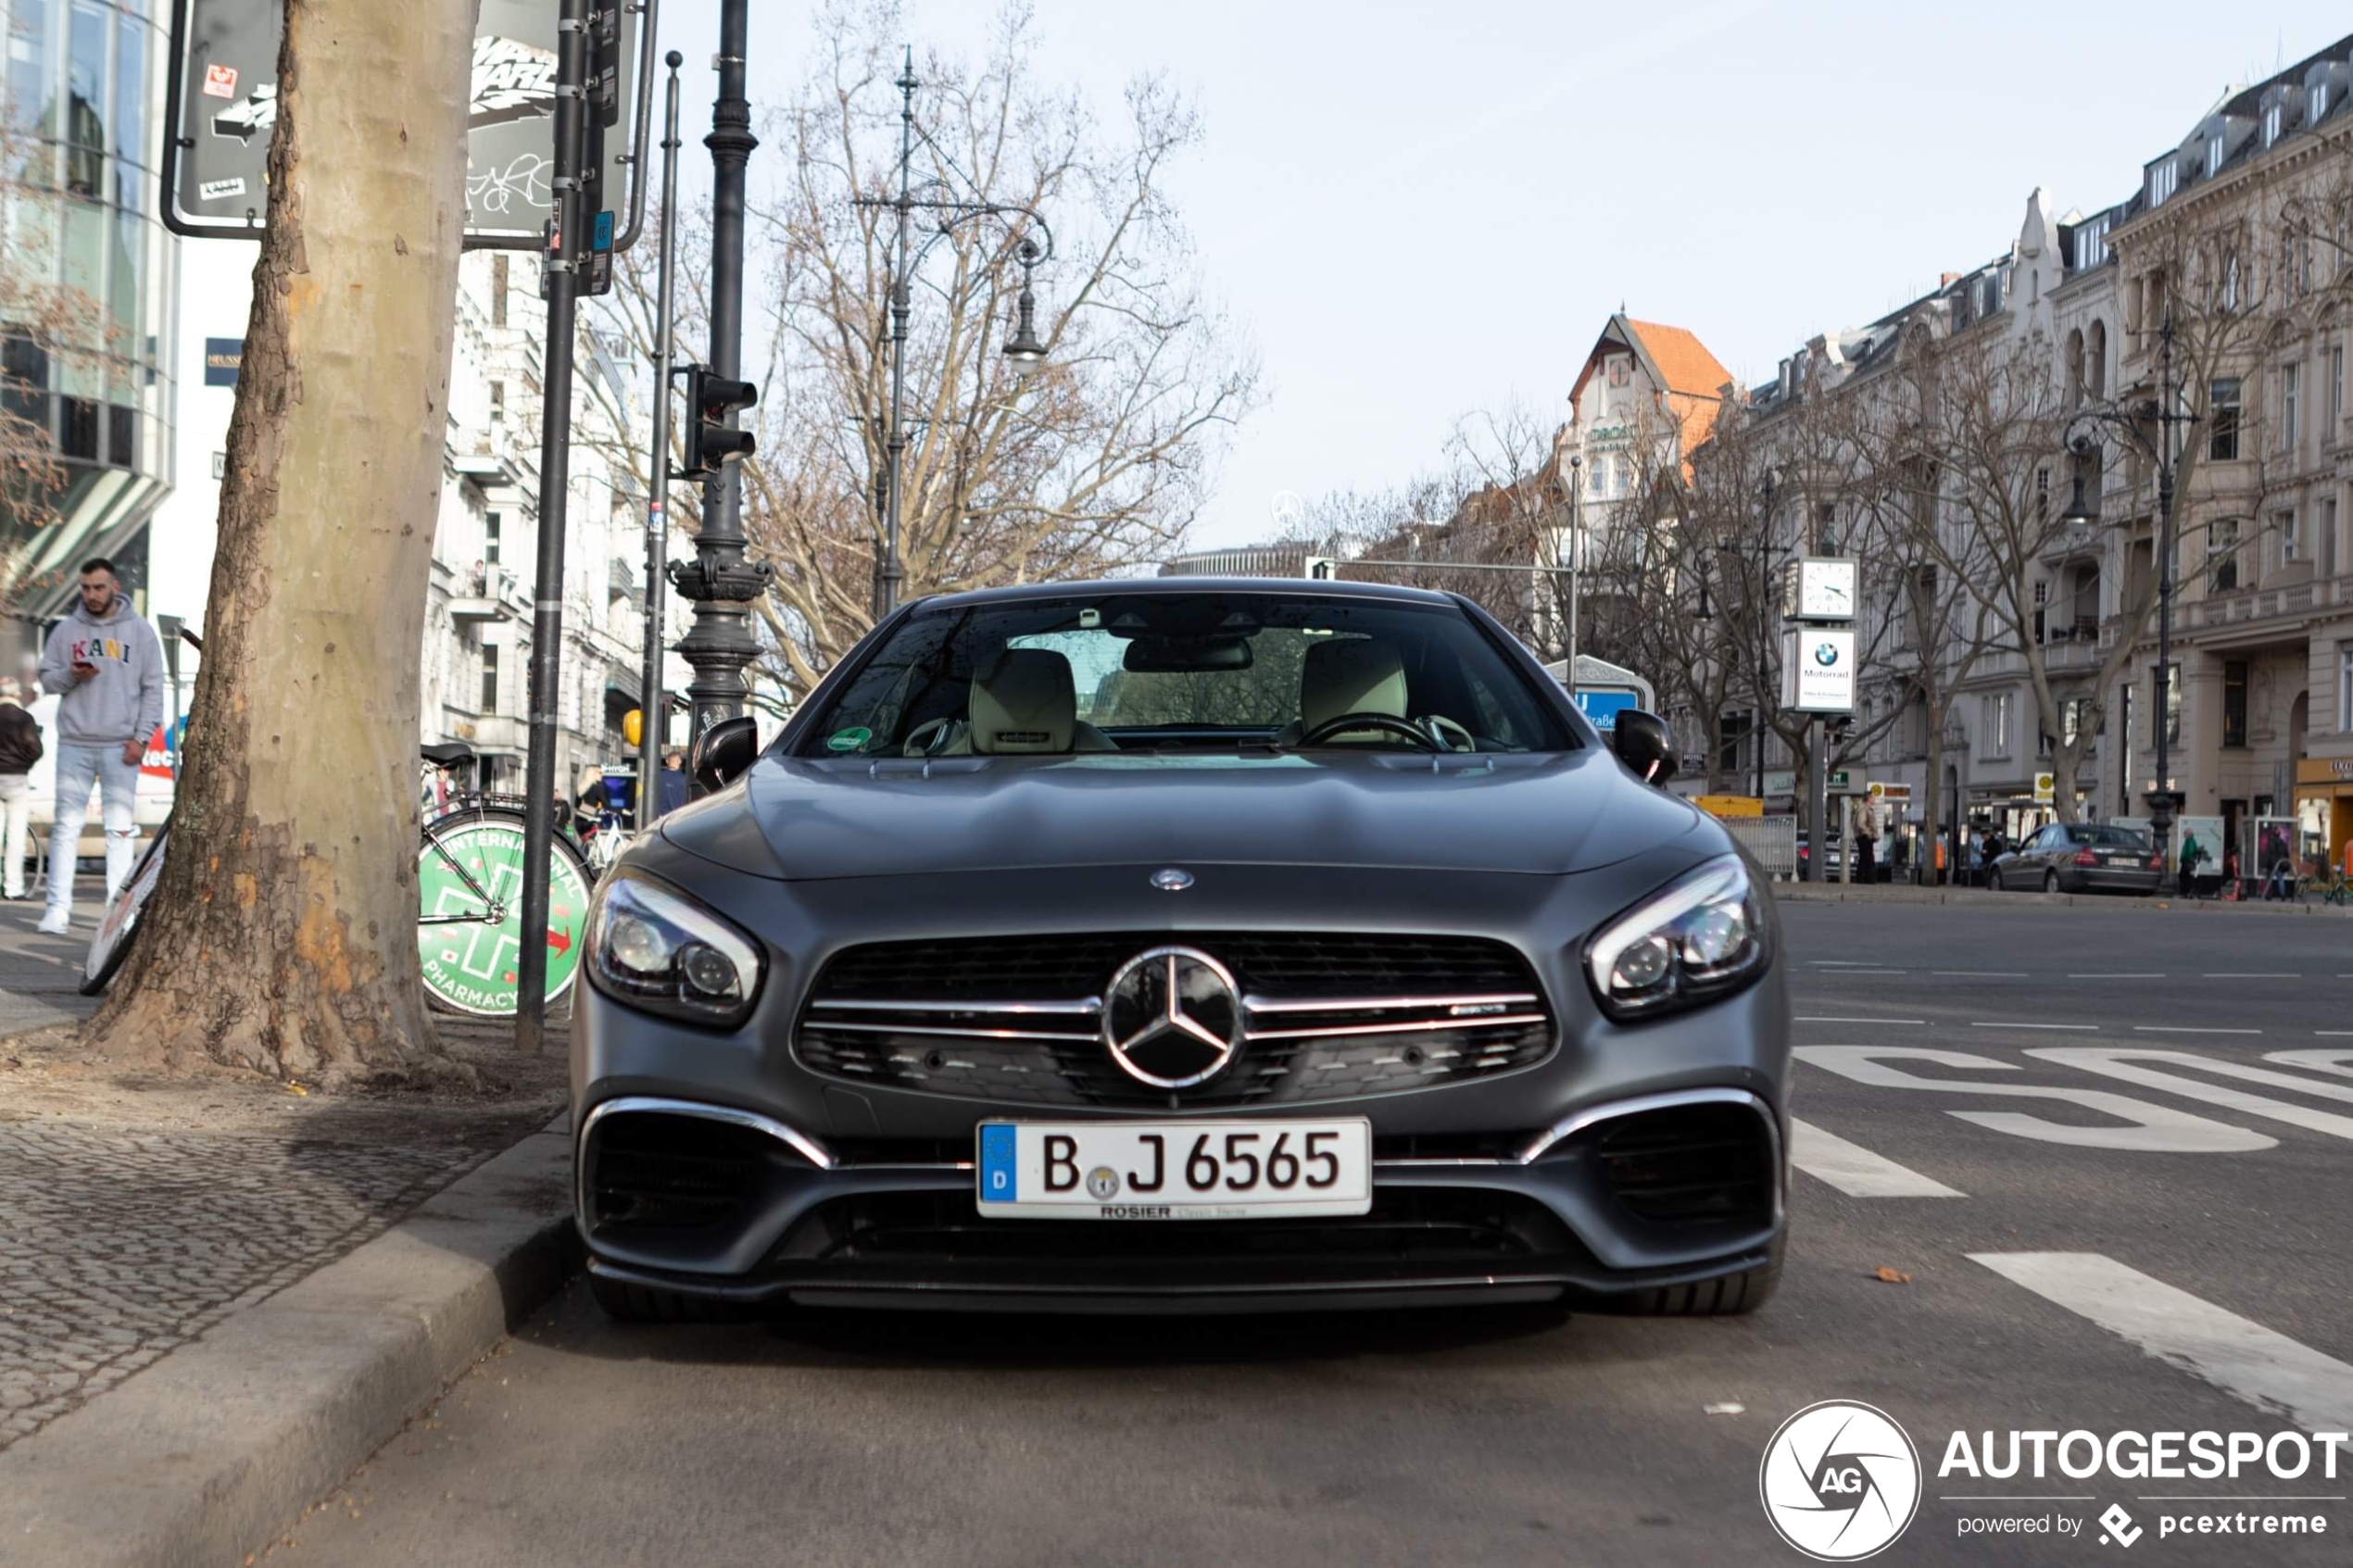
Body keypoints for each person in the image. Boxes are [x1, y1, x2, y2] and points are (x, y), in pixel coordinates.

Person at [37, 559, 162, 935]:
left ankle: (116, 914)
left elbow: (153, 689)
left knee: (120, 831)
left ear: (114, 586)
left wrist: (142, 738)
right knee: (65, 828)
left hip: (120, 744)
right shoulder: (65, 631)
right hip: (75, 742)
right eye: (86, 588)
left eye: (99, 588)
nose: (91, 595)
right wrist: (71, 675)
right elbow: (47, 682)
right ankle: (57, 909)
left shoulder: (140, 632)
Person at [0, 679, 41, 899]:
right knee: (15, 837)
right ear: (16, 695)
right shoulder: (24, 718)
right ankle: (13, 887)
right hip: (16, 779)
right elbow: (35, 748)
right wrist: (24, 763)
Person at [655, 749, 689, 820]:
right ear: (680, 761)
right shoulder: (684, 780)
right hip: (678, 816)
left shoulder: (658, 777)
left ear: (667, 761)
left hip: (661, 816)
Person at [1852, 797, 1880, 884]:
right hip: (1864, 837)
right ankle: (1867, 880)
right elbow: (1861, 824)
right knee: (1867, 859)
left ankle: (1864, 879)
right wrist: (1869, 833)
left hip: (1865, 837)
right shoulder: (1864, 809)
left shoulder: (1866, 809)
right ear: (1869, 798)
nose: (1874, 799)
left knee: (1865, 859)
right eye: (1873, 797)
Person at [2176, 831, 2201, 900]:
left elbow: (2189, 851)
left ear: (2188, 834)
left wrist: (2184, 858)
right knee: (2186, 877)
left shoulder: (2189, 841)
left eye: (2185, 834)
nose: (2184, 835)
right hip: (2189, 861)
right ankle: (2187, 892)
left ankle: (2185, 892)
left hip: (2187, 861)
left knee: (2183, 877)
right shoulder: (2192, 841)